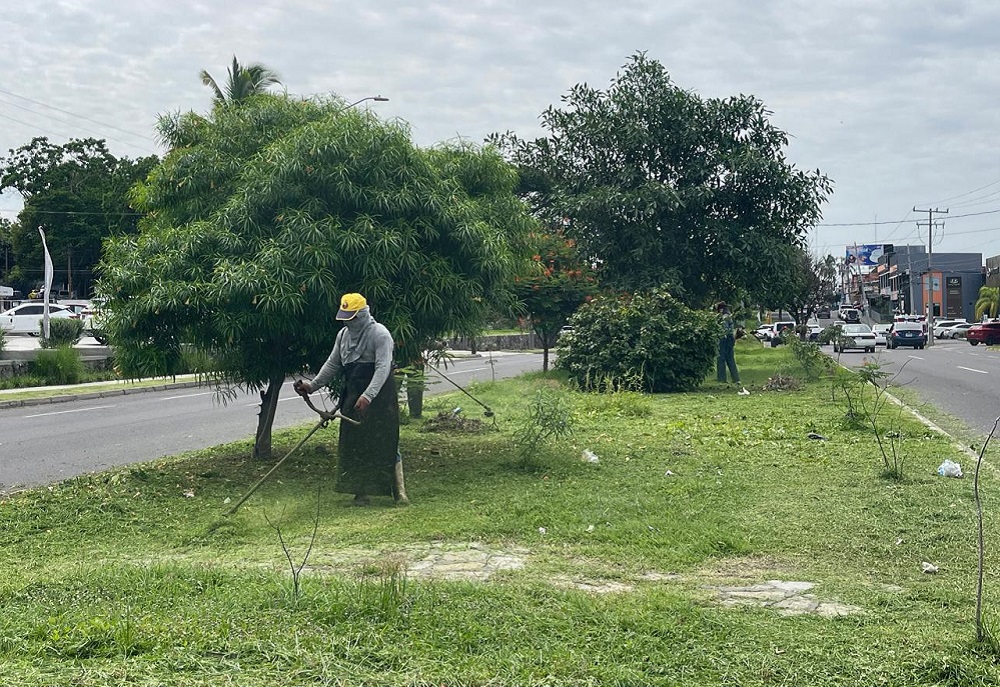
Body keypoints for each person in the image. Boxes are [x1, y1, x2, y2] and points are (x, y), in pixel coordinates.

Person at [293, 293, 408, 505]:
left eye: (353, 317)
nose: (349, 322)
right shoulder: (343, 336)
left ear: (363, 314)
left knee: (385, 439)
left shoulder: (380, 334)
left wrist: (368, 396)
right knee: (355, 442)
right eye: (346, 318)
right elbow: (332, 364)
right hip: (353, 391)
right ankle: (361, 492)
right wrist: (312, 385)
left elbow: (383, 369)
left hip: (380, 393)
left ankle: (399, 491)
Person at [715, 301, 740, 384]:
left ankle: (722, 378)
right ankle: (736, 378)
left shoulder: (724, 318)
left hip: (724, 339)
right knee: (730, 359)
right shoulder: (729, 316)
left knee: (720, 358)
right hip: (730, 339)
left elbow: (724, 330)